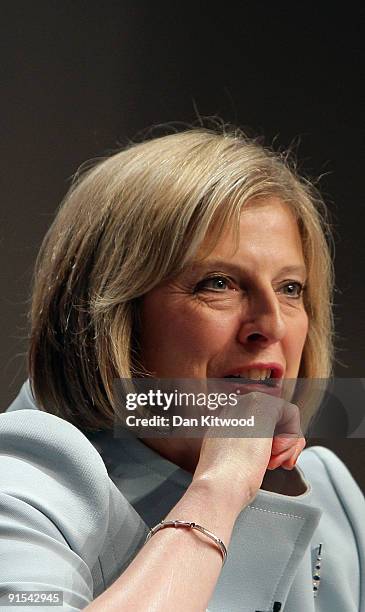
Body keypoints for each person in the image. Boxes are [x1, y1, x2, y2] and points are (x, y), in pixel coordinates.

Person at [1, 125, 364, 612]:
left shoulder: (330, 494)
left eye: (290, 288)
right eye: (219, 283)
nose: (271, 324)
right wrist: (220, 489)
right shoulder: (24, 481)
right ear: (116, 315)